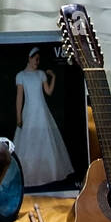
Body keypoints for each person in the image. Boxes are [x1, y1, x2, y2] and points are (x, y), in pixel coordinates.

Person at [14, 48, 74, 187]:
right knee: (28, 142)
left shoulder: (41, 74)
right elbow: (19, 98)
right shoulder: (21, 75)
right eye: (35, 59)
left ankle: (50, 174)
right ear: (29, 58)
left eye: (39, 59)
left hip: (41, 111)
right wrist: (18, 117)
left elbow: (48, 92)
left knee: (45, 140)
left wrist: (53, 77)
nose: (37, 61)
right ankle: (29, 174)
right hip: (29, 112)